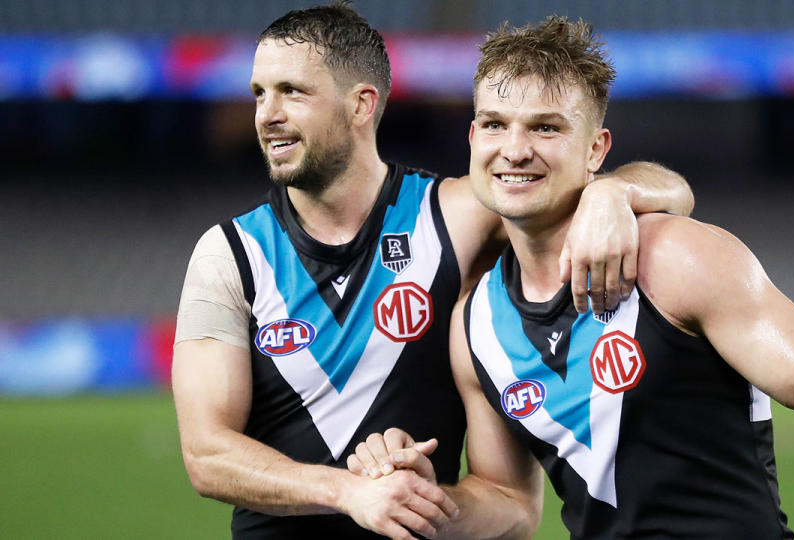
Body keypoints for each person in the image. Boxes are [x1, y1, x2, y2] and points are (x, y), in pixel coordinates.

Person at [349, 16, 794, 540]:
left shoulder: (676, 260)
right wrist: (429, 501)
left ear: (595, 148)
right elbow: (507, 501)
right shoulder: (473, 326)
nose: (516, 148)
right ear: (473, 138)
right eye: (496, 125)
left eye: (547, 128)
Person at [170, 3, 693, 539]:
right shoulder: (229, 254)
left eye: (292, 92)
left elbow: (675, 193)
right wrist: (349, 493)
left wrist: (613, 191)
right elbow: (206, 454)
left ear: (361, 105)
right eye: (260, 93)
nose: (266, 114)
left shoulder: (456, 216)